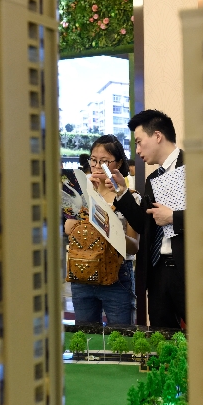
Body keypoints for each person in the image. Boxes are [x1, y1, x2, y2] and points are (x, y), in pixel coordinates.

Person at [104, 110, 185, 328]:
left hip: (188, 270)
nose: (137, 150)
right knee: (161, 335)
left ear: (157, 136)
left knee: (199, 336)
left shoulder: (195, 167)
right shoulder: (153, 178)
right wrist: (122, 192)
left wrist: (174, 217)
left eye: (139, 142)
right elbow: (143, 225)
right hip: (158, 272)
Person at [64, 135, 140, 325]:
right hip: (82, 273)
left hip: (117, 276)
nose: (97, 166)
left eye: (104, 161)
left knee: (121, 337)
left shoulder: (129, 198)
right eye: (93, 160)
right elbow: (68, 228)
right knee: (85, 335)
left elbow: (134, 247)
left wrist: (111, 232)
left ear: (119, 163)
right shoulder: (81, 194)